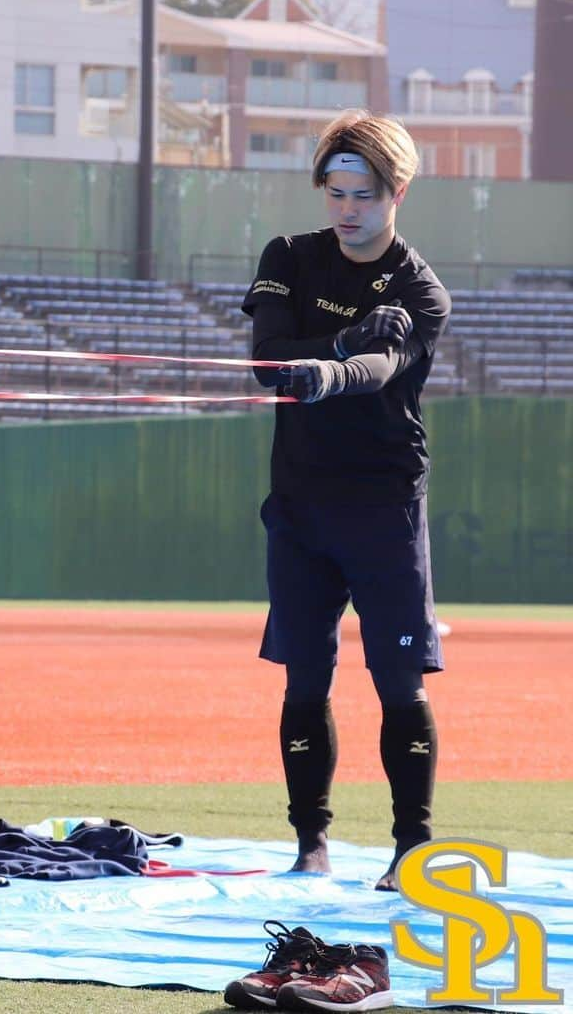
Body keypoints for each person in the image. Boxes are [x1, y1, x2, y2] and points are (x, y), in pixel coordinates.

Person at [241, 109, 450, 892]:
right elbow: (267, 362)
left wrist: (334, 369)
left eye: (363, 194)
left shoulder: (421, 290)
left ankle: (411, 850)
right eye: (334, 191)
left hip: (383, 505)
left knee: (399, 684)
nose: (346, 209)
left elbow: (382, 364)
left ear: (397, 192)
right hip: (299, 504)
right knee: (305, 679)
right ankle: (311, 844)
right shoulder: (288, 257)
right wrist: (332, 346)